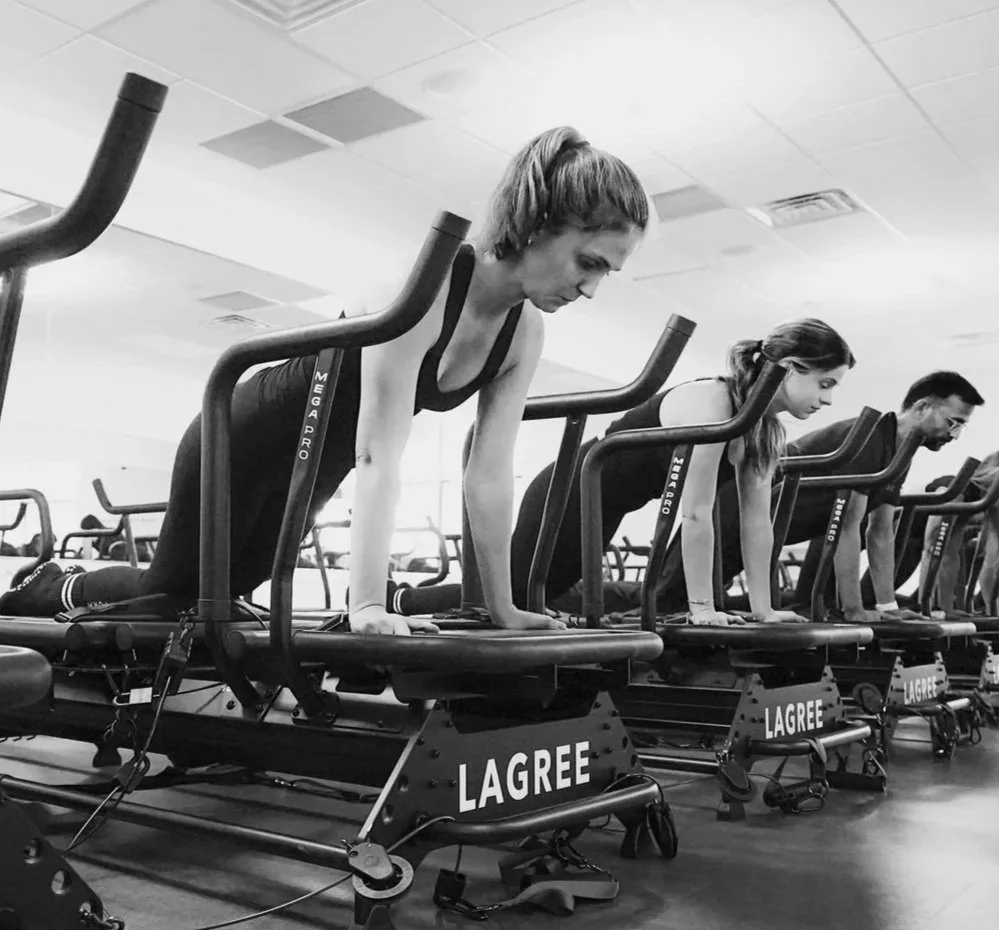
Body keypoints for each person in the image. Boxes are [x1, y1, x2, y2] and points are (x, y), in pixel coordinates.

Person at [0, 127, 649, 637]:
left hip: (316, 464)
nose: (590, 288)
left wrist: (502, 608)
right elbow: (378, 454)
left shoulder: (524, 333)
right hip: (240, 436)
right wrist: (366, 603)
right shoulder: (425, 289)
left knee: (229, 592)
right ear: (537, 224)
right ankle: (49, 585)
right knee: (175, 595)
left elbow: (489, 475)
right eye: (588, 262)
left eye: (605, 274)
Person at [395, 319, 857, 626]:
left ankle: (406, 601)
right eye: (825, 383)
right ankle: (400, 599)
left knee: (538, 595)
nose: (829, 399)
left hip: (607, 505)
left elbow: (757, 523)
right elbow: (696, 513)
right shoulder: (714, 402)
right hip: (570, 489)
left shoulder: (762, 430)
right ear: (788, 368)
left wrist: (764, 610)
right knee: (507, 595)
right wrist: (700, 608)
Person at [656, 371, 984, 622]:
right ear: (923, 407)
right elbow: (848, 528)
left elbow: (881, 530)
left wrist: (887, 606)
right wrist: (854, 610)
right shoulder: (870, 436)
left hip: (766, 532)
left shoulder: (901, 452)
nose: (954, 434)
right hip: (732, 513)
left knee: (715, 610)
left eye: (961, 427)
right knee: (668, 607)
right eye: (952, 422)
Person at [916, 449, 999, 617]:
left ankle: (936, 606)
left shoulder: (978, 500)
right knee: (936, 551)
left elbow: (950, 554)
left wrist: (946, 610)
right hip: (900, 537)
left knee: (951, 554)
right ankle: (925, 606)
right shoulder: (957, 490)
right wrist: (927, 611)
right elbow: (931, 550)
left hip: (913, 547)